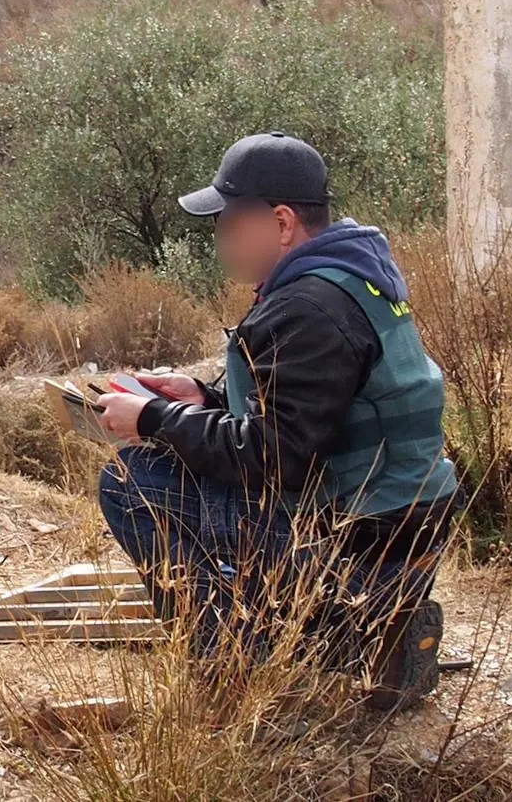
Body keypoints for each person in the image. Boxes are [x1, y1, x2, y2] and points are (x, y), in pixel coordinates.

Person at [97, 131, 459, 710]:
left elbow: (278, 459)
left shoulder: (308, 307)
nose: (219, 236)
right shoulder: (350, 278)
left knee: (130, 480)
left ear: (282, 222)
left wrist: (156, 420)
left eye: (228, 220)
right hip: (401, 530)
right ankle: (377, 633)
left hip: (358, 539)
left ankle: (239, 670)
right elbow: (313, 410)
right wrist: (204, 397)